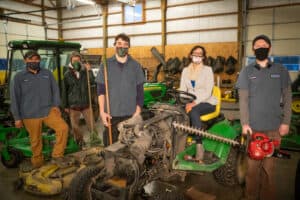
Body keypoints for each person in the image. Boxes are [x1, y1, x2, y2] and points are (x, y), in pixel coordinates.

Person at [236, 34, 292, 200]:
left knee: (269, 170)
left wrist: (286, 122)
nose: (261, 47)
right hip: (253, 129)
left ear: (269, 48)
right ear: (253, 49)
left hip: (274, 129)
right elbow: (243, 100)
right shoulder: (247, 72)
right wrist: (245, 123)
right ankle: (250, 197)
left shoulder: (280, 70)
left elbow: (288, 98)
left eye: (264, 44)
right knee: (252, 170)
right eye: (258, 45)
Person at [10, 50, 69, 168]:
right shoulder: (19, 77)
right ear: (25, 60)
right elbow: (14, 98)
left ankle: (57, 156)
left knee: (63, 128)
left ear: (39, 60)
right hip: (29, 114)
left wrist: (56, 105)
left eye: (36, 59)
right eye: (31, 59)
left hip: (48, 111)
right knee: (35, 141)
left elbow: (55, 90)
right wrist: (17, 117)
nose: (34, 61)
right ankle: (38, 164)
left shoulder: (47, 74)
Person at [96, 33, 145, 146]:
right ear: (114, 46)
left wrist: (137, 112)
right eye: (119, 44)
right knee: (110, 147)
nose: (122, 47)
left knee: (129, 148)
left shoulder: (136, 66)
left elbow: (140, 92)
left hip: (130, 115)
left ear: (128, 47)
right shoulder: (106, 65)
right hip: (111, 114)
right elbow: (101, 91)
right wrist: (102, 112)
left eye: (125, 44)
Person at [179, 45, 217, 162]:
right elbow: (182, 89)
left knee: (194, 111)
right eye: (195, 53)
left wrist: (194, 102)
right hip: (190, 101)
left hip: (206, 101)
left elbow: (207, 91)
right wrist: (183, 101)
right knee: (174, 110)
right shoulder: (185, 71)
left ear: (203, 57)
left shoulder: (208, 70)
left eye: (200, 54)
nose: (197, 56)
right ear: (191, 55)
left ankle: (199, 146)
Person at [62, 52, 95, 146]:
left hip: (85, 103)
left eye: (78, 60)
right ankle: (80, 142)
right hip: (73, 105)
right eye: (74, 60)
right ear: (71, 61)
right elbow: (64, 91)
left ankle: (95, 140)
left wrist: (89, 71)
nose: (76, 62)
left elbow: (92, 82)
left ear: (81, 61)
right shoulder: (67, 74)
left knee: (91, 124)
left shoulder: (85, 72)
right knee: (75, 126)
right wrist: (65, 106)